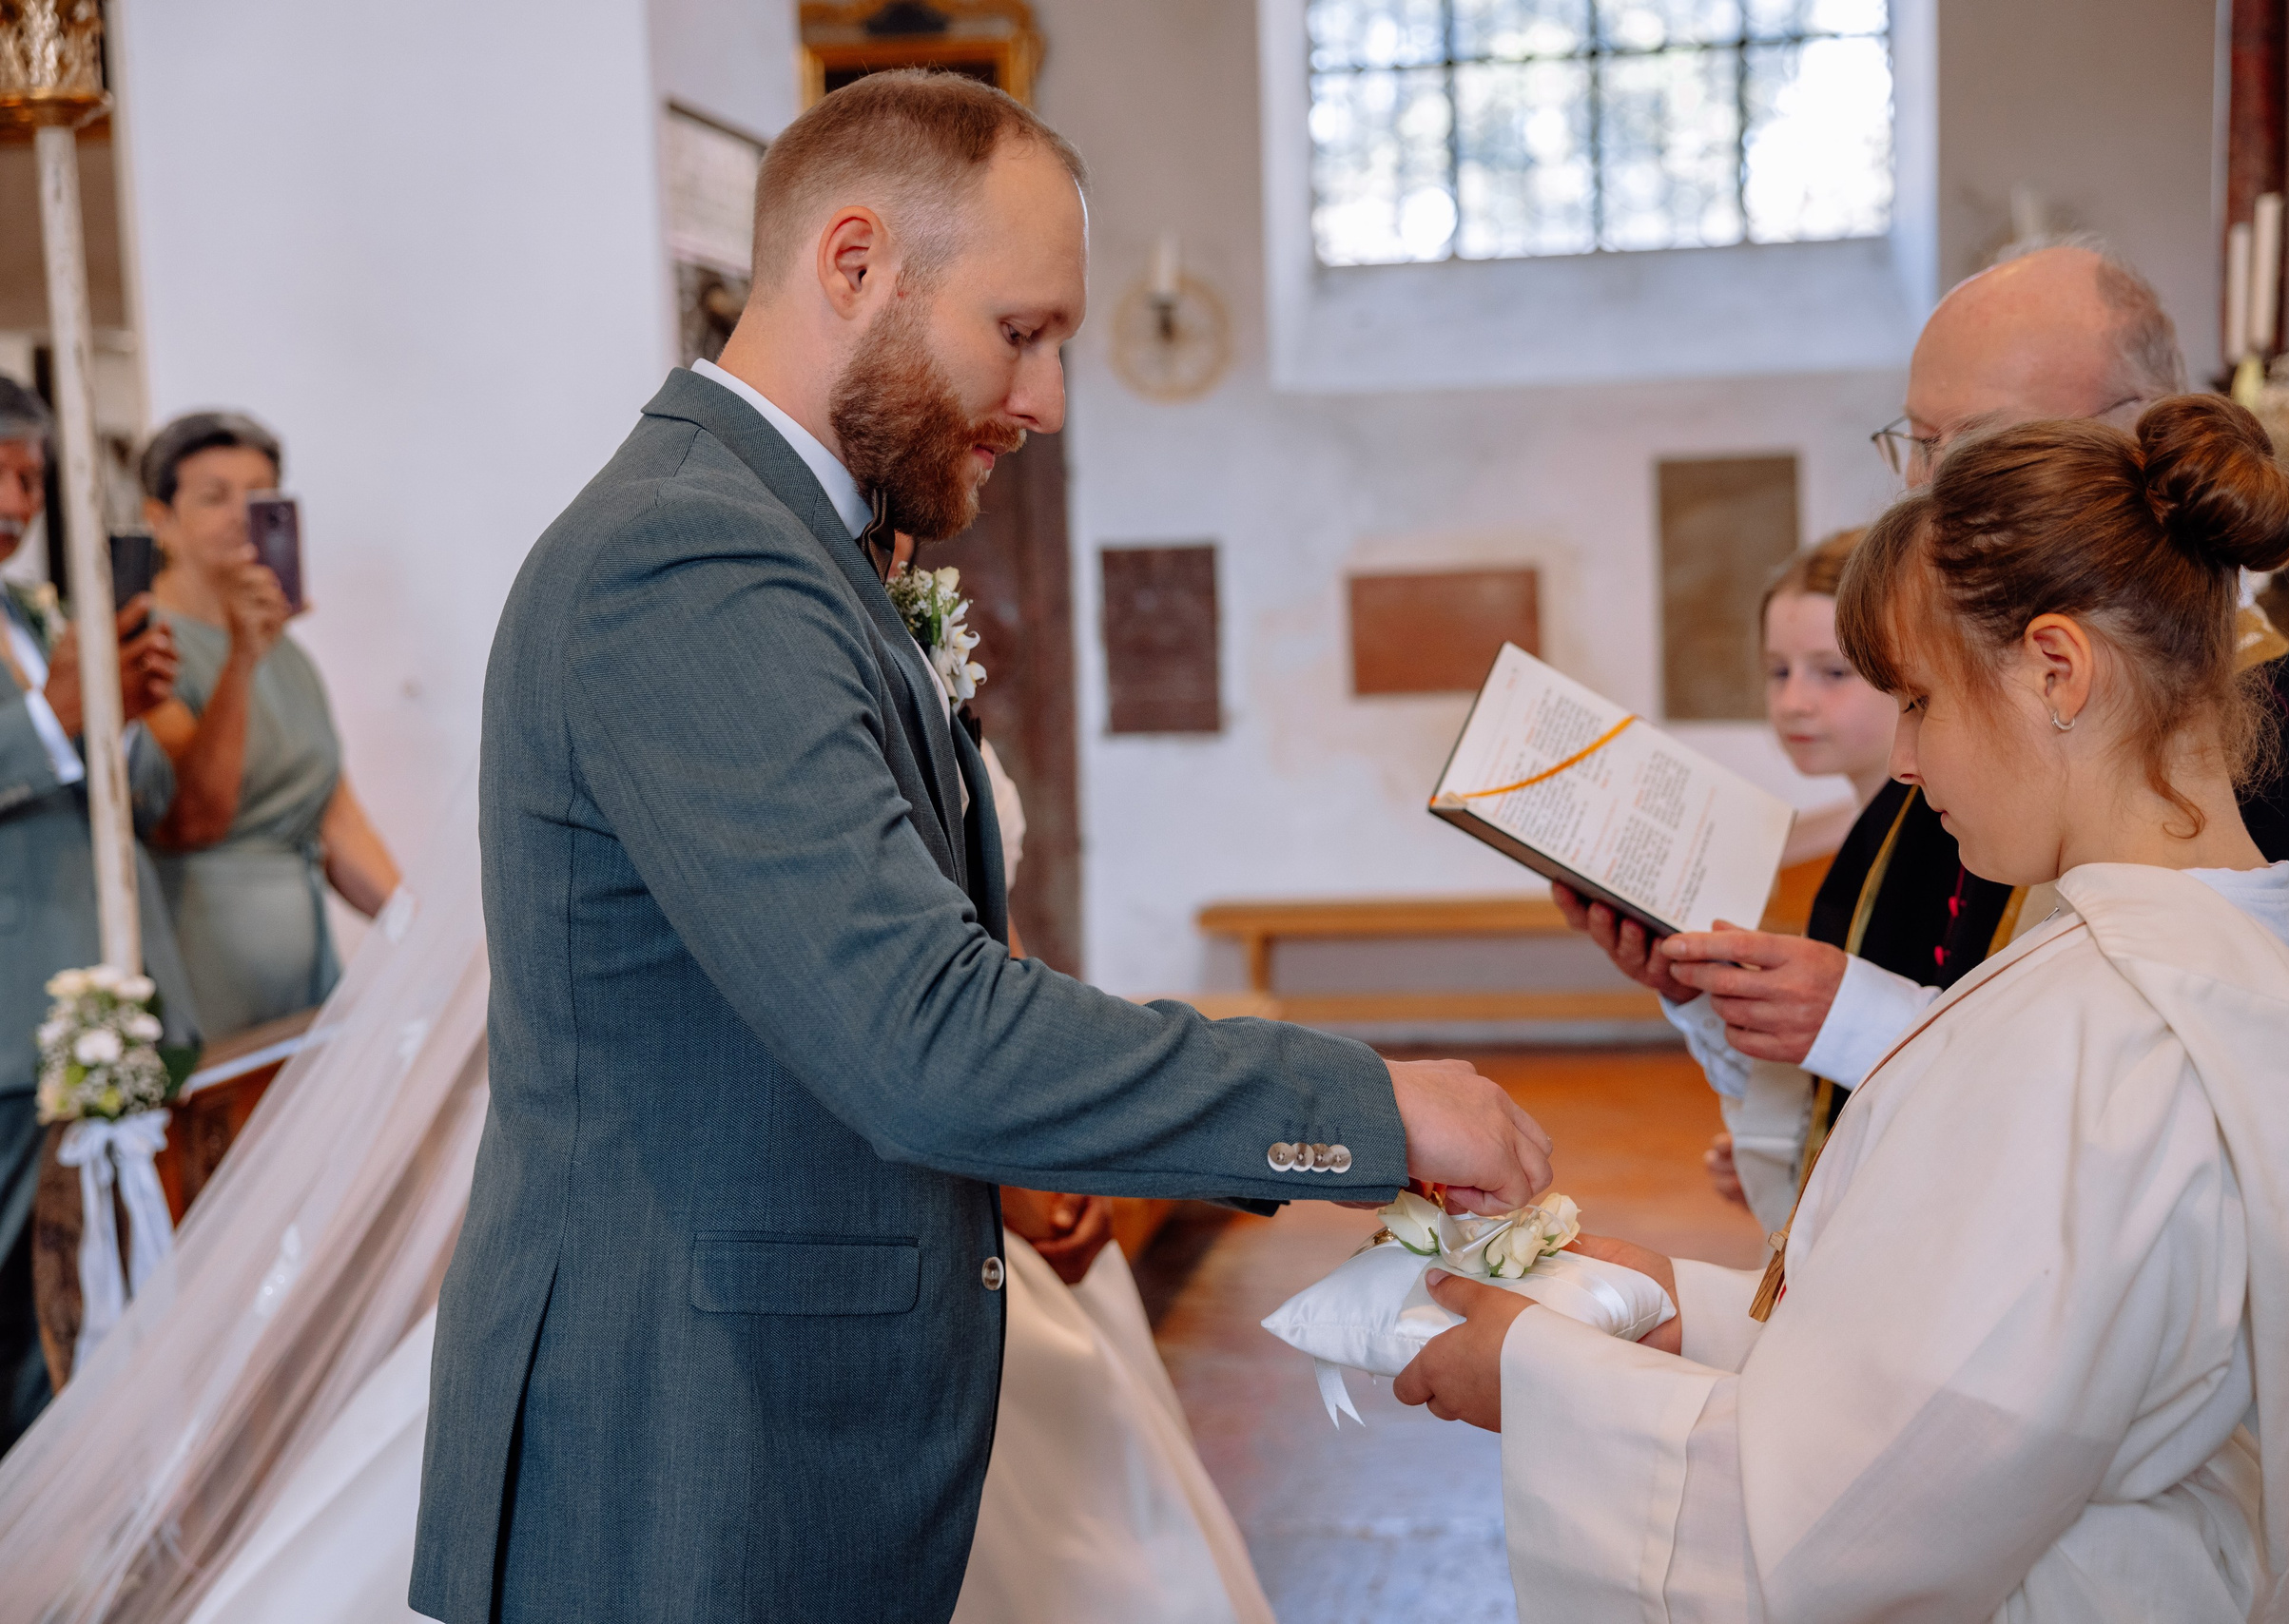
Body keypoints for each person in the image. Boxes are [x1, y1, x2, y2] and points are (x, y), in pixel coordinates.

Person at [411, 71, 1553, 1624]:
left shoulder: (787, 538)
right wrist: (1369, 1103)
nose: (1048, 401)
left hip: (771, 1404)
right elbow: (916, 1028)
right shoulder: (690, 554)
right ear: (855, 263)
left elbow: (808, 997)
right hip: (688, 1444)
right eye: (1021, 333)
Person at [1404, 396, 2289, 1619]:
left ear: (2056, 669)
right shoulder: (2286, 970)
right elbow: (2002, 1385)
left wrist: (1538, 1378)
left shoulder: (2094, 1036)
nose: (1901, 758)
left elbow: (1856, 1528)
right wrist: (1687, 1303)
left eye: (1921, 702)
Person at [1609, 528, 2031, 1234]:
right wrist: (1780, 1149)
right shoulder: (1863, 828)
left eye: (1832, 673)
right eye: (1778, 671)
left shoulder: (1960, 836)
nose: (1794, 701)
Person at [957, 742, 1272, 1624]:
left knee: (1119, 1487)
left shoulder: (931, 653)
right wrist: (1014, 1166)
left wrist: (1068, 1134)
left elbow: (994, 946)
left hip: (1008, 1121)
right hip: (936, 1178)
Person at [0, 376, 202, 1452]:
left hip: (94, 1012)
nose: (18, 498)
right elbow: (38, 739)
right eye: (2, 470)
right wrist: (51, 715)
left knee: (77, 1301)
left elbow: (151, 800)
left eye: (32, 477)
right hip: (6, 1023)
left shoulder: (38, 614)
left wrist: (121, 712)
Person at [136, 412, 398, 1039]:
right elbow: (195, 814)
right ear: (159, 521)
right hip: (199, 958)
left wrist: (421, 933)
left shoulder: (289, 655)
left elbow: (337, 820)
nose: (239, 514)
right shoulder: (141, 647)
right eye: (214, 496)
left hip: (300, 972)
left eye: (259, 496)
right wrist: (241, 660)